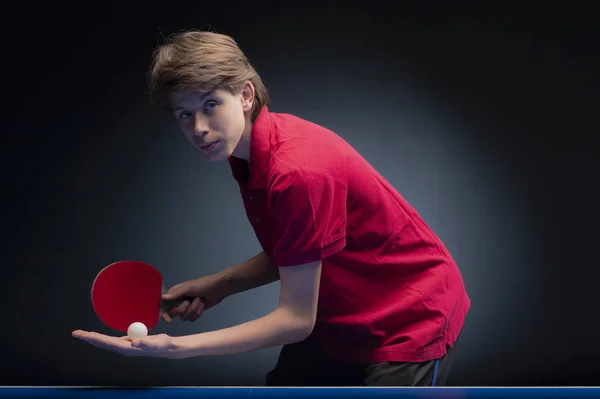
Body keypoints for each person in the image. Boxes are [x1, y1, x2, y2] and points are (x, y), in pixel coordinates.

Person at [72, 30, 470, 386]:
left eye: (211, 104)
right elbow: (300, 245)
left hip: (407, 318)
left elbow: (296, 320)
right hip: (339, 317)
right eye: (184, 114)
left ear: (245, 95)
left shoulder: (297, 170)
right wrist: (219, 285)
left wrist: (175, 348)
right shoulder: (245, 152)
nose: (198, 128)